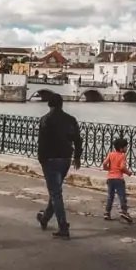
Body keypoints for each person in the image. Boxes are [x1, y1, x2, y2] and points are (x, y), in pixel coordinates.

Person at [36, 95, 83, 239]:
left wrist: (41, 159)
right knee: (55, 190)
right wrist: (77, 157)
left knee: (55, 193)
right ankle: (44, 218)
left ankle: (63, 226)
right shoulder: (71, 119)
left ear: (49, 104)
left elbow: (42, 142)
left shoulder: (45, 120)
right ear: (62, 105)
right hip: (66, 159)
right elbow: (78, 139)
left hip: (50, 159)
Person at [102, 137, 134, 223]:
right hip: (119, 179)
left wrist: (108, 169)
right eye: (126, 147)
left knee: (110, 196)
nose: (126, 149)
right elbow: (122, 167)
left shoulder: (111, 154)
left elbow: (104, 163)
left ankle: (107, 212)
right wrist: (128, 173)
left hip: (110, 178)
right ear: (121, 148)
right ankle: (124, 212)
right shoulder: (122, 156)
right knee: (122, 196)